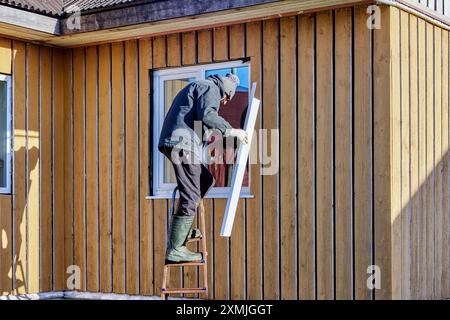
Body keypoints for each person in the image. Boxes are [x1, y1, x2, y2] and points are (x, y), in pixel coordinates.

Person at [158, 73, 248, 263]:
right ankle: (176, 249)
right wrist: (231, 130)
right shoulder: (211, 87)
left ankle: (184, 230)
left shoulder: (202, 87)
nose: (224, 103)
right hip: (182, 143)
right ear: (226, 91)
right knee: (191, 194)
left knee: (205, 180)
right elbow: (208, 115)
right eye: (227, 99)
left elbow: (197, 119)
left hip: (180, 141)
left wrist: (210, 140)